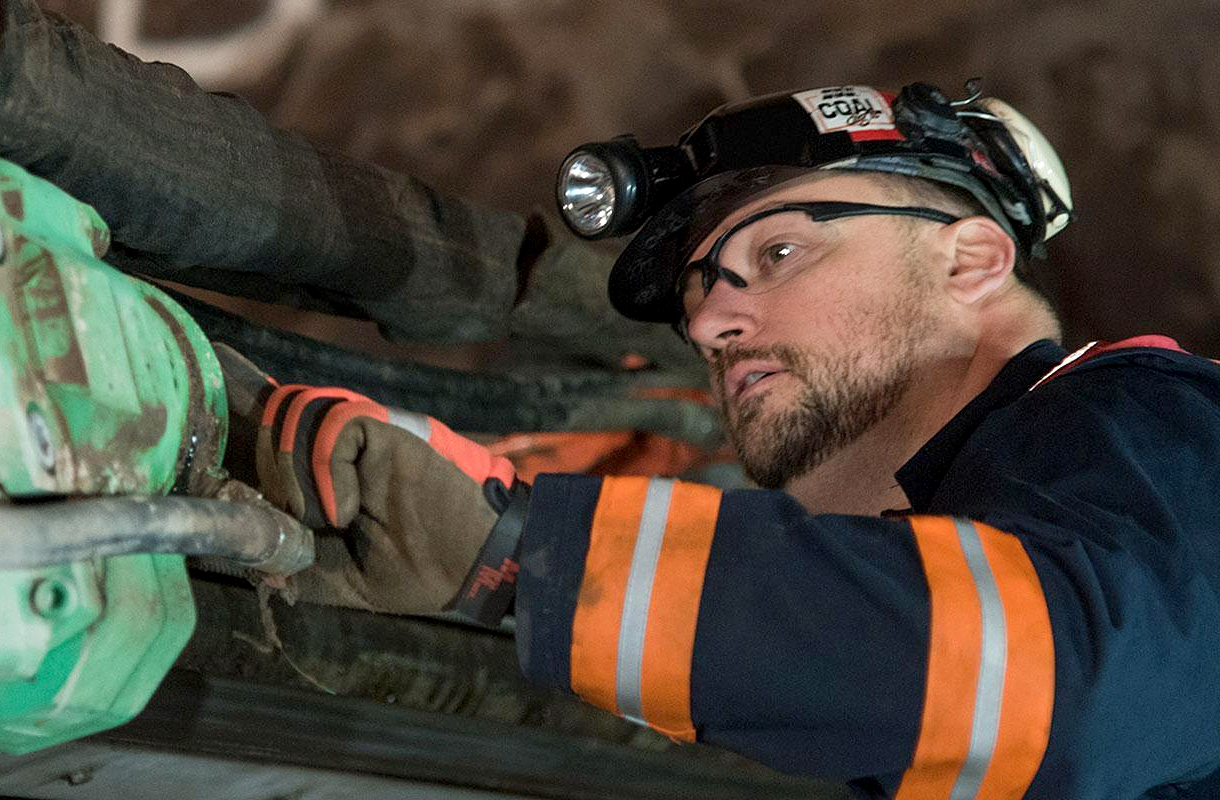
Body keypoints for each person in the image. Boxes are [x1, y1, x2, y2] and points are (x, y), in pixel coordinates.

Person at [216, 83, 1220, 798]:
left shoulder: (1163, 422)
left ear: (971, 259)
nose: (706, 324)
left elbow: (1067, 683)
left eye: (775, 251)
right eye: (700, 289)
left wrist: (529, 550)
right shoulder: (998, 533)